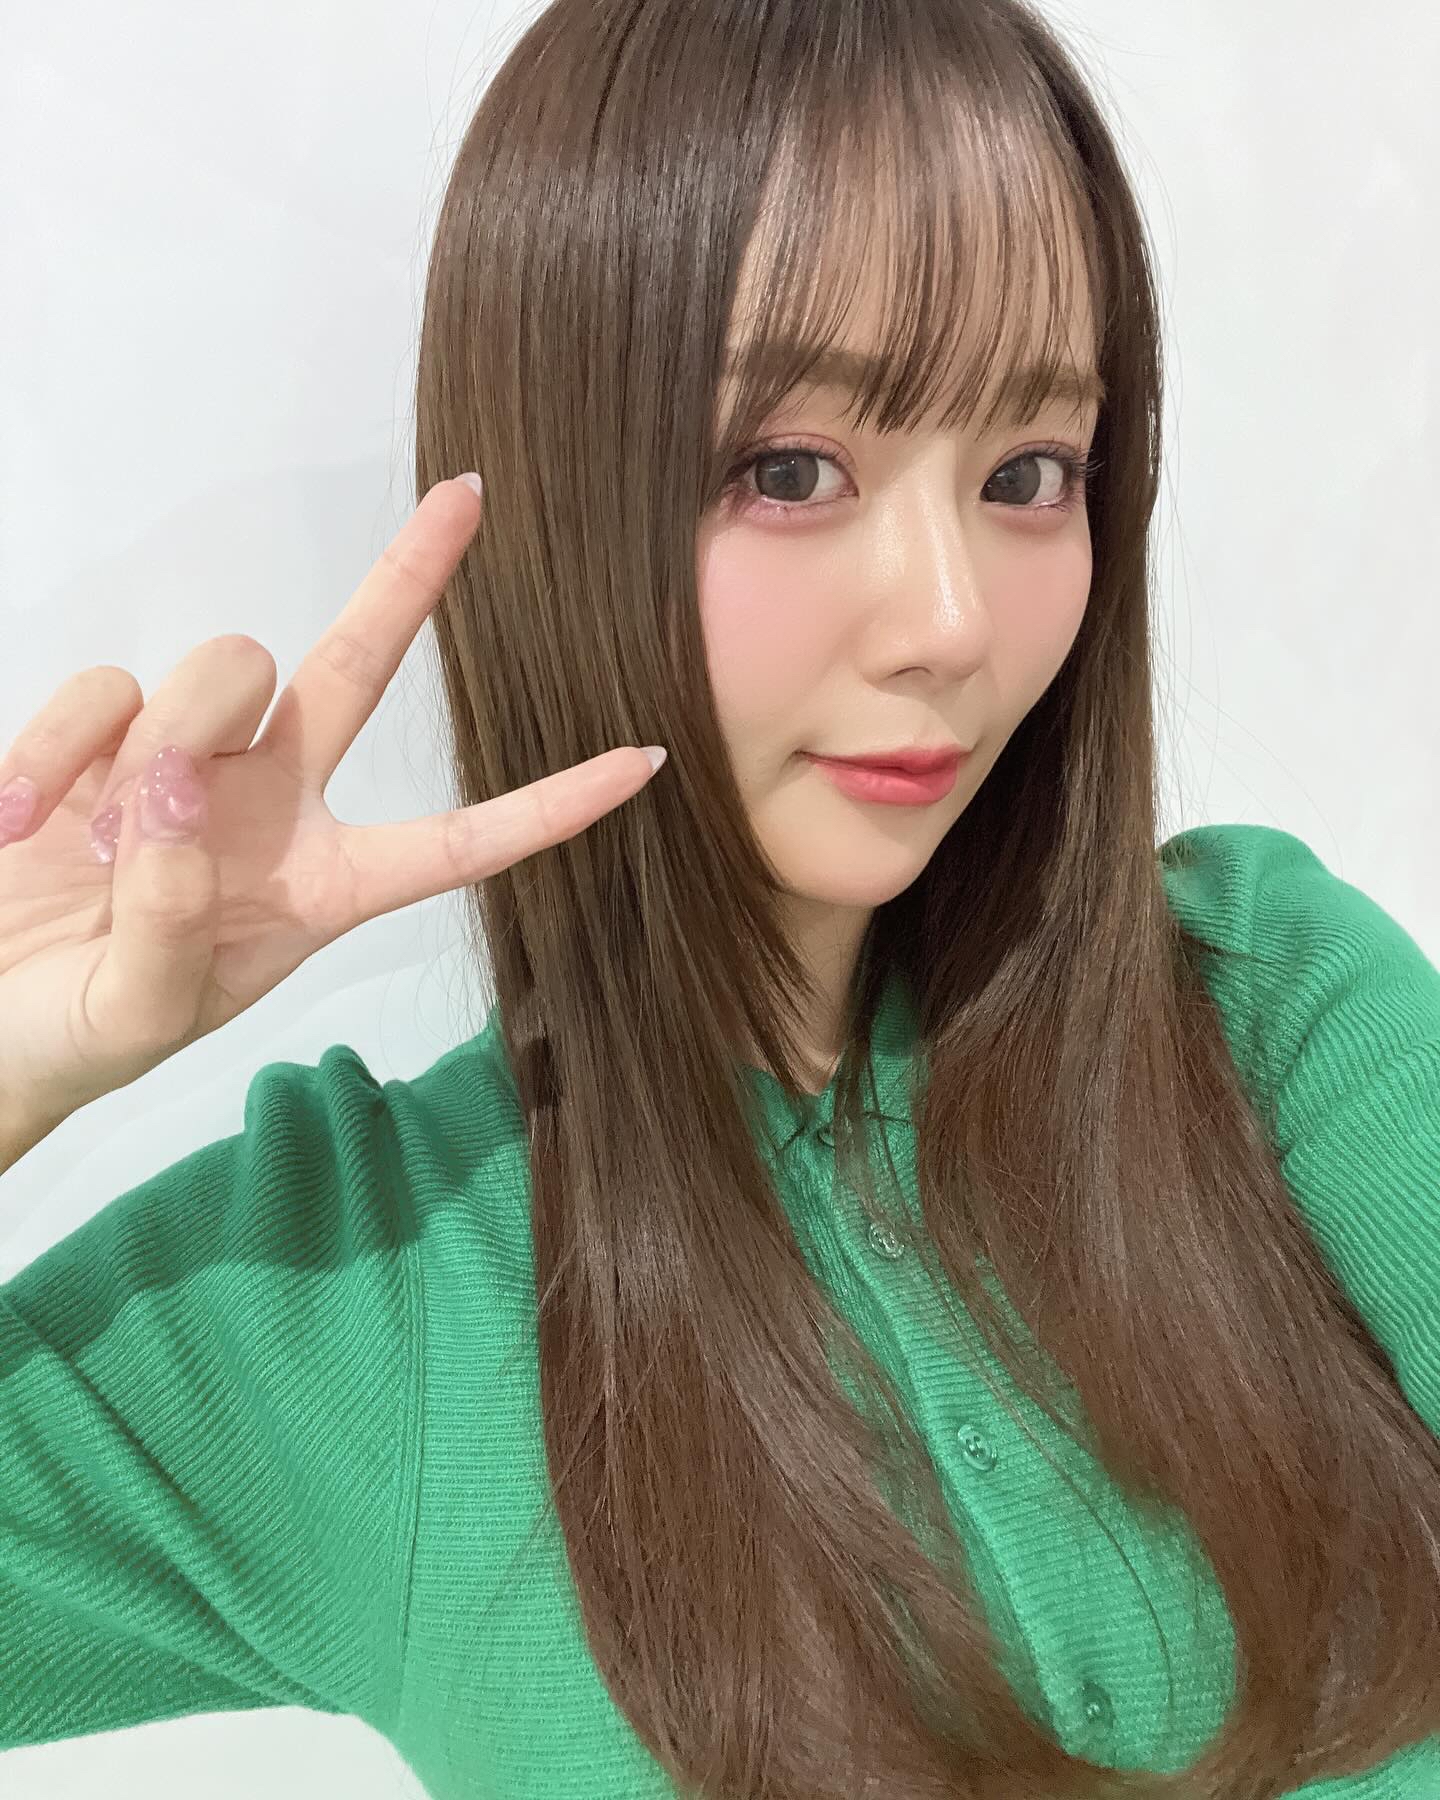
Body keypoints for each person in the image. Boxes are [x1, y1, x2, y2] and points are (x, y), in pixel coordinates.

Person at [2, 0, 1439, 1795]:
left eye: (1028, 473)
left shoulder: (1269, 1009)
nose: (950, 622)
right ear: (557, 498)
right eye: (790, 470)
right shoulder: (359, 1286)